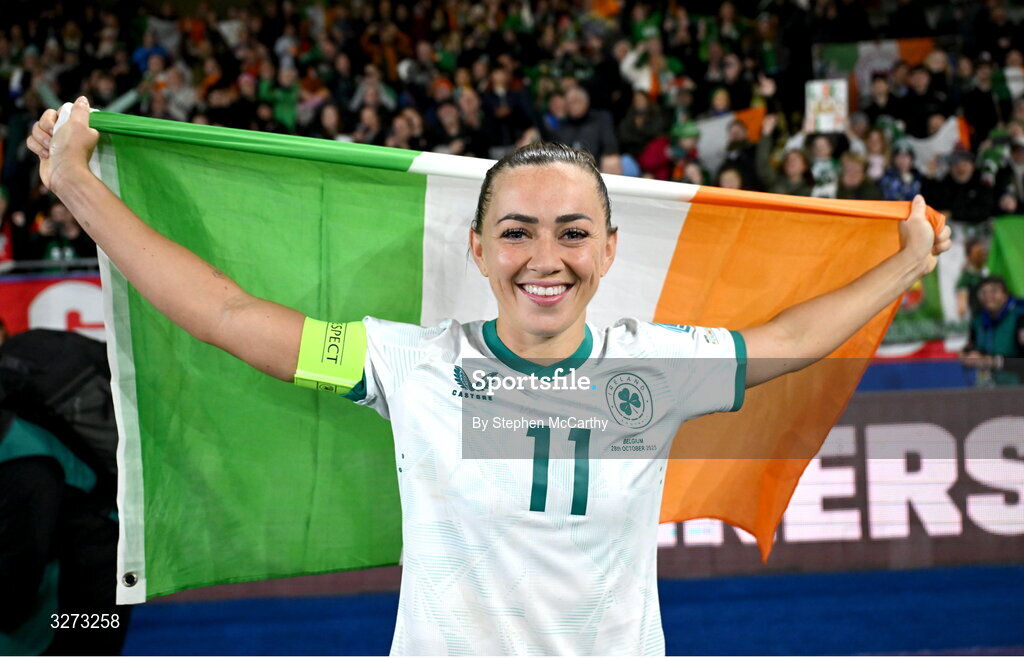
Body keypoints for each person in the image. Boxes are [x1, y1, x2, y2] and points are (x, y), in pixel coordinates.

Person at [27, 97, 951, 655]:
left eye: (572, 231)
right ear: (477, 247)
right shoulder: (410, 363)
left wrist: (907, 264)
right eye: (517, 231)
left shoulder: (658, 368)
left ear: (608, 248)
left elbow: (792, 335)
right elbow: (227, 317)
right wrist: (76, 185)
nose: (544, 257)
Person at [959, 276, 1024, 386]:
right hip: (988, 386)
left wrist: (995, 362)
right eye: (983, 292)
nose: (988, 296)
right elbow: (972, 345)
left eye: (994, 291)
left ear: (1005, 294)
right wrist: (968, 354)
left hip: (1017, 387)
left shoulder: (1020, 316)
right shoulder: (978, 319)